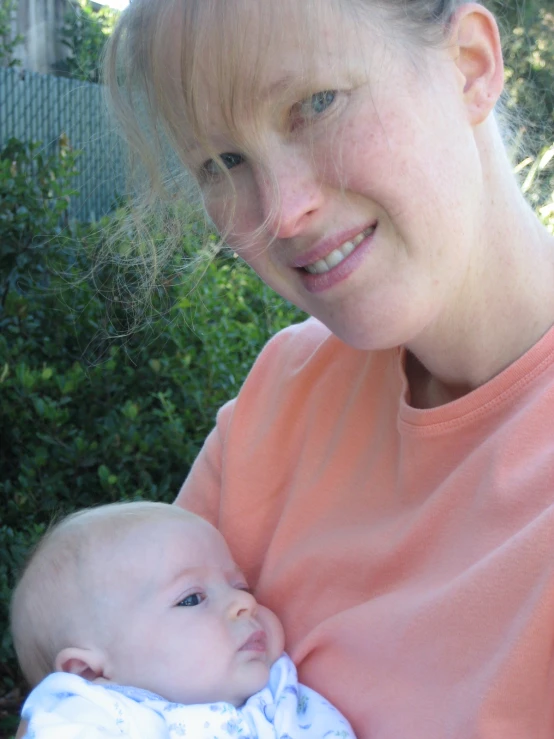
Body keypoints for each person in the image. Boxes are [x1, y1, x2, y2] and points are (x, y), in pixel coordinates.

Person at [14, 0, 554, 736]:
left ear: (470, 65)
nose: (282, 210)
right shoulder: (284, 393)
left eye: (316, 104)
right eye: (222, 162)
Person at [10, 502, 355, 739]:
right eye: (191, 599)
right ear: (89, 674)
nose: (245, 603)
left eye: (240, 585)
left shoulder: (283, 699)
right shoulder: (93, 718)